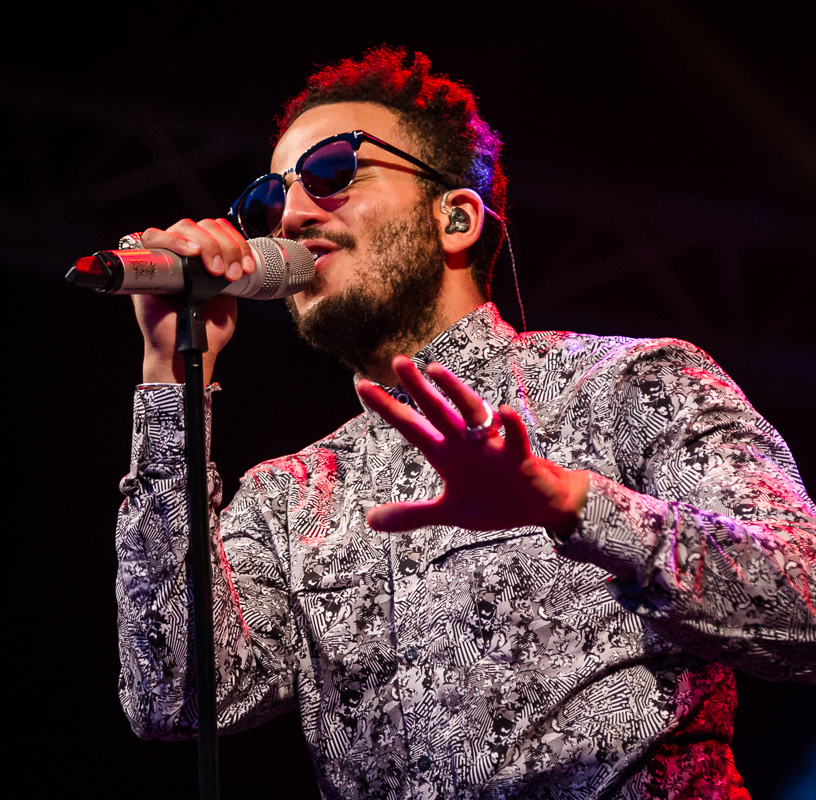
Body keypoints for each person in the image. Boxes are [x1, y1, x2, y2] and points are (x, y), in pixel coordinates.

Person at [116, 47, 816, 799]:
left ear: (455, 218)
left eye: (331, 171)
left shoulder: (630, 384)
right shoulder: (289, 497)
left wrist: (574, 506)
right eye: (270, 198)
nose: (289, 216)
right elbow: (173, 696)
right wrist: (170, 374)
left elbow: (805, 596)